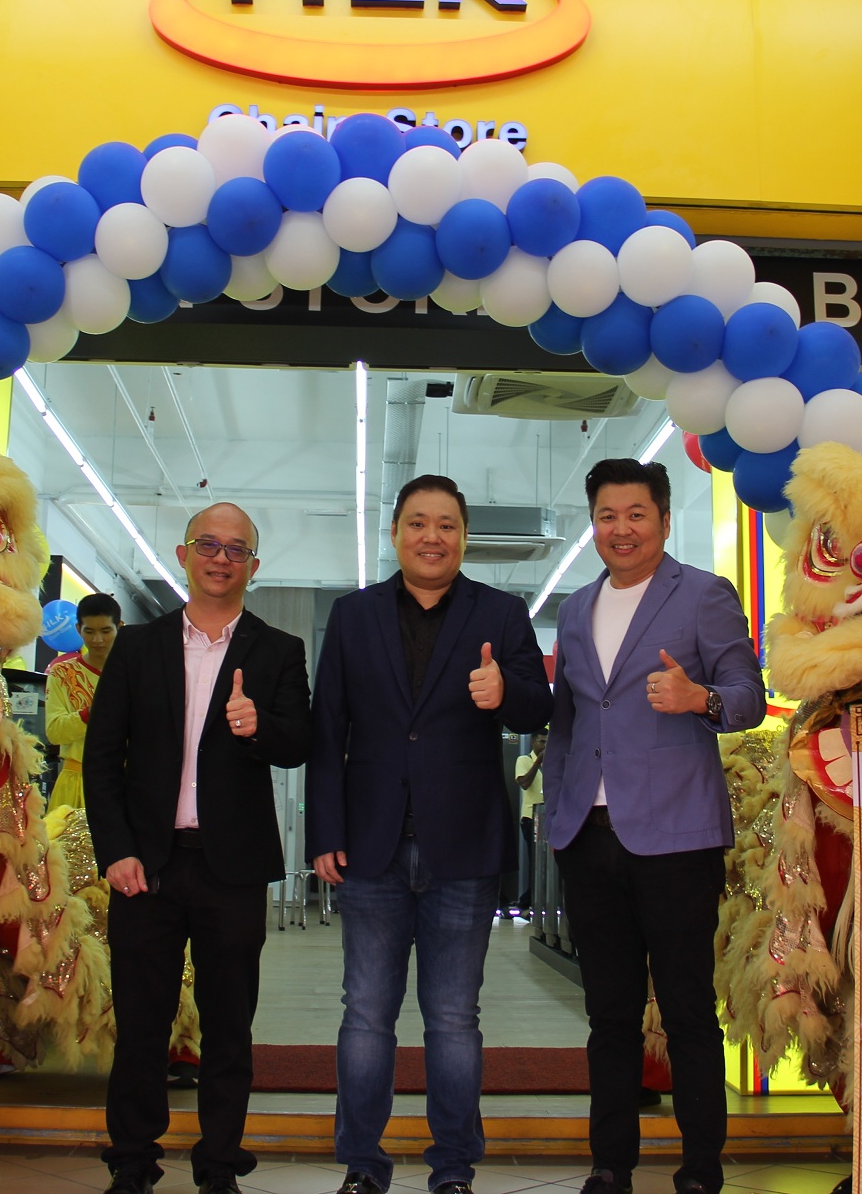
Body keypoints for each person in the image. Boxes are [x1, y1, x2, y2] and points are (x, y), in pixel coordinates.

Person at [308, 474, 552, 1194]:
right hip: (370, 844)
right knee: (366, 1013)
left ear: (465, 536)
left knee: (453, 1018)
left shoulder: (503, 612)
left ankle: (453, 1167)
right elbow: (329, 729)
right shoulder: (353, 615)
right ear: (395, 533)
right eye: (418, 522)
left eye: (447, 524)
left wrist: (507, 691)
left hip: (464, 846)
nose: (432, 536)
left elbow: (540, 704)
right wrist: (324, 829)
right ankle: (362, 1163)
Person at [545, 458, 765, 1194]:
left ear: (664, 520)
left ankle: (700, 1166)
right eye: (607, 515)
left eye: (636, 513)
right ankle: (611, 1163)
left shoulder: (703, 594)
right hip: (589, 835)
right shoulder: (576, 608)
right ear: (594, 523)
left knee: (687, 1008)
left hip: (676, 836)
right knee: (607, 1013)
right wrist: (558, 808)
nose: (621, 528)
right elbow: (569, 722)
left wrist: (698, 697)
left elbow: (748, 698)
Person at [84, 503, 313, 1194]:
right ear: (183, 554)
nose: (221, 557)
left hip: (232, 867)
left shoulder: (278, 651)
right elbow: (102, 758)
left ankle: (219, 1162)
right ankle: (132, 1160)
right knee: (142, 1024)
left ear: (253, 566)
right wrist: (116, 849)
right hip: (144, 865)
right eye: (208, 545)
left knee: (229, 1028)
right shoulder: (137, 645)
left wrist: (258, 724)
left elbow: (300, 743)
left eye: (236, 548)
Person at [45, 592, 122, 810]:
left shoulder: (136, 673)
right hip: (76, 782)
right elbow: (54, 731)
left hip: (125, 785)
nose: (98, 639)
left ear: (120, 627)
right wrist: (92, 712)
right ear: (78, 629)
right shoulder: (62, 673)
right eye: (90, 631)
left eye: (106, 631)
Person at [513, 732, 546, 912]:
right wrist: (538, 762)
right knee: (535, 861)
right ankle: (526, 902)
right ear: (533, 741)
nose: (544, 746)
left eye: (548, 743)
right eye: (541, 742)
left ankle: (534, 901)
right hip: (531, 818)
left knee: (546, 863)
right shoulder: (524, 760)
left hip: (548, 817)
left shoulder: (552, 760)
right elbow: (524, 783)